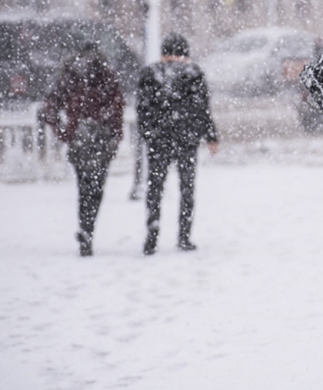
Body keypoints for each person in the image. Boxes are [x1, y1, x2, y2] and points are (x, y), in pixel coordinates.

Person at [136, 32, 218, 255]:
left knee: (155, 187)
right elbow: (202, 109)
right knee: (187, 188)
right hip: (186, 139)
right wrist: (210, 136)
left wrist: (148, 134)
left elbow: (142, 109)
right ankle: (184, 236)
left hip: (158, 140)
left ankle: (152, 233)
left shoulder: (149, 73)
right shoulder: (193, 73)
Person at [41, 42, 124, 257]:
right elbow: (117, 108)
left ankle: (85, 228)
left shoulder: (69, 75)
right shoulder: (106, 75)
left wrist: (65, 132)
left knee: (84, 187)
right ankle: (89, 228)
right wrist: (115, 135)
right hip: (102, 138)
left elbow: (49, 108)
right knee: (96, 188)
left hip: (79, 138)